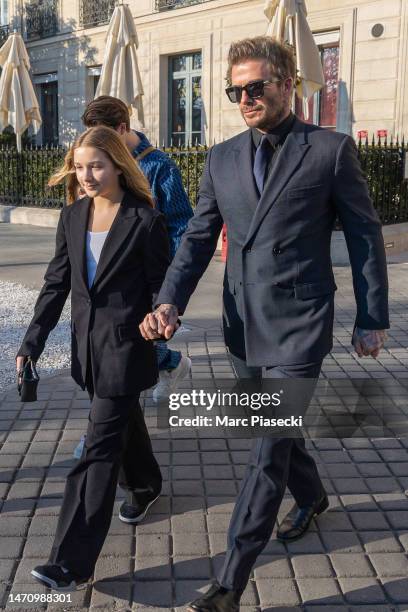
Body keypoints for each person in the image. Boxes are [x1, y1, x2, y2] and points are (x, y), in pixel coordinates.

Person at [139, 37, 389, 612]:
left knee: (266, 445)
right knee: (274, 426)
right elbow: (198, 237)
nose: (246, 97)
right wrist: (171, 301)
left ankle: (230, 579)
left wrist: (372, 316)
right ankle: (314, 496)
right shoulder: (222, 157)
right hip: (241, 324)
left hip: (301, 323)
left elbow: (364, 236)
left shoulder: (329, 150)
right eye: (236, 90)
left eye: (256, 86)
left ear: (286, 82)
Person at [16, 125, 170, 590]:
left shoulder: (144, 219)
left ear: (119, 165)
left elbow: (163, 281)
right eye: (80, 166)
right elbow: (56, 285)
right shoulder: (73, 216)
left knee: (97, 451)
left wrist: (162, 313)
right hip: (88, 350)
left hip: (126, 348)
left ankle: (72, 563)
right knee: (122, 425)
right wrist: (31, 344)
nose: (86, 175)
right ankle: (145, 485)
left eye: (96, 165)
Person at [82, 96, 193, 402]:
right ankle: (172, 365)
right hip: (108, 275)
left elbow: (182, 225)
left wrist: (168, 280)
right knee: (121, 344)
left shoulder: (159, 166)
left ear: (122, 128)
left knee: (131, 346)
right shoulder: (98, 164)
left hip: (148, 276)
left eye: (104, 137)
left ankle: (107, 430)